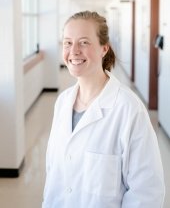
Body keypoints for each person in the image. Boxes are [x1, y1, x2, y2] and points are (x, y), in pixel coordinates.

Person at [42, 11, 165, 208]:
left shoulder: (129, 110)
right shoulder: (62, 103)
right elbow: (53, 173)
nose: (73, 51)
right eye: (67, 42)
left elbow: (147, 193)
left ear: (104, 49)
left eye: (84, 42)